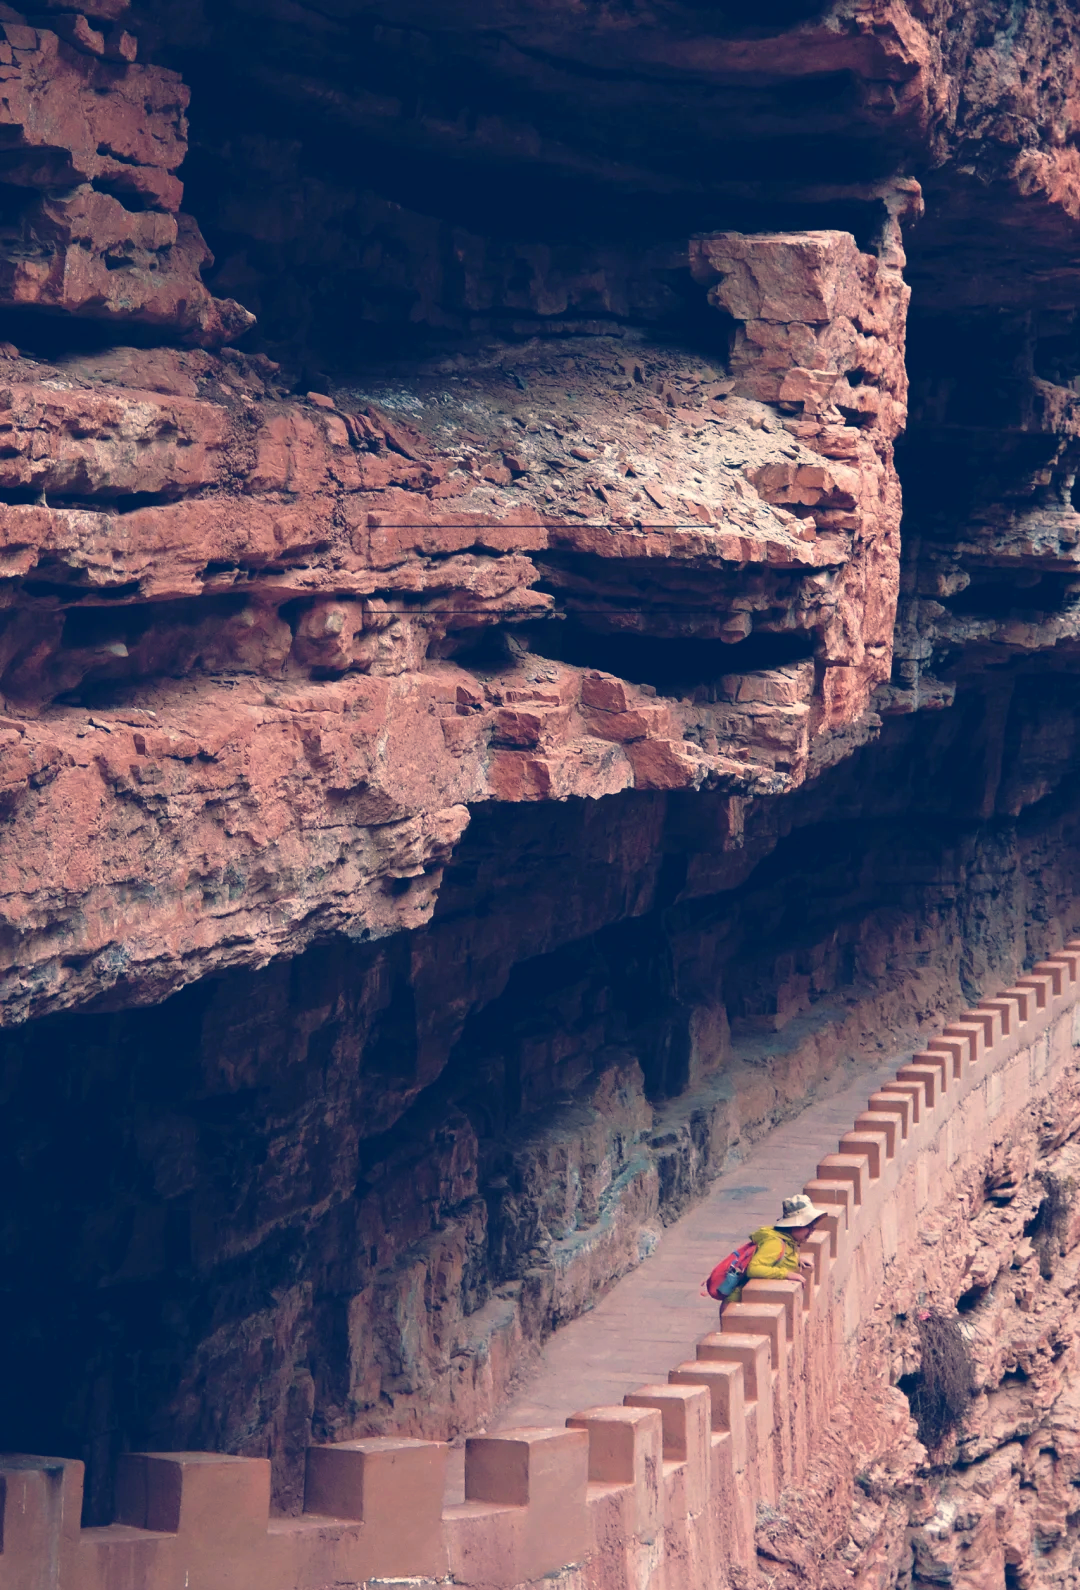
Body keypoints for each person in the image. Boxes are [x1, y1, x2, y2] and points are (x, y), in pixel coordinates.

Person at [729, 1193, 827, 1304]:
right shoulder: (775, 1243)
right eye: (808, 1226)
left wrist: (796, 1260)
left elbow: (778, 1257)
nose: (812, 1230)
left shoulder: (788, 1240)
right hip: (738, 1303)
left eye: (813, 1226)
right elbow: (754, 1268)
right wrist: (786, 1274)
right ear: (794, 1226)